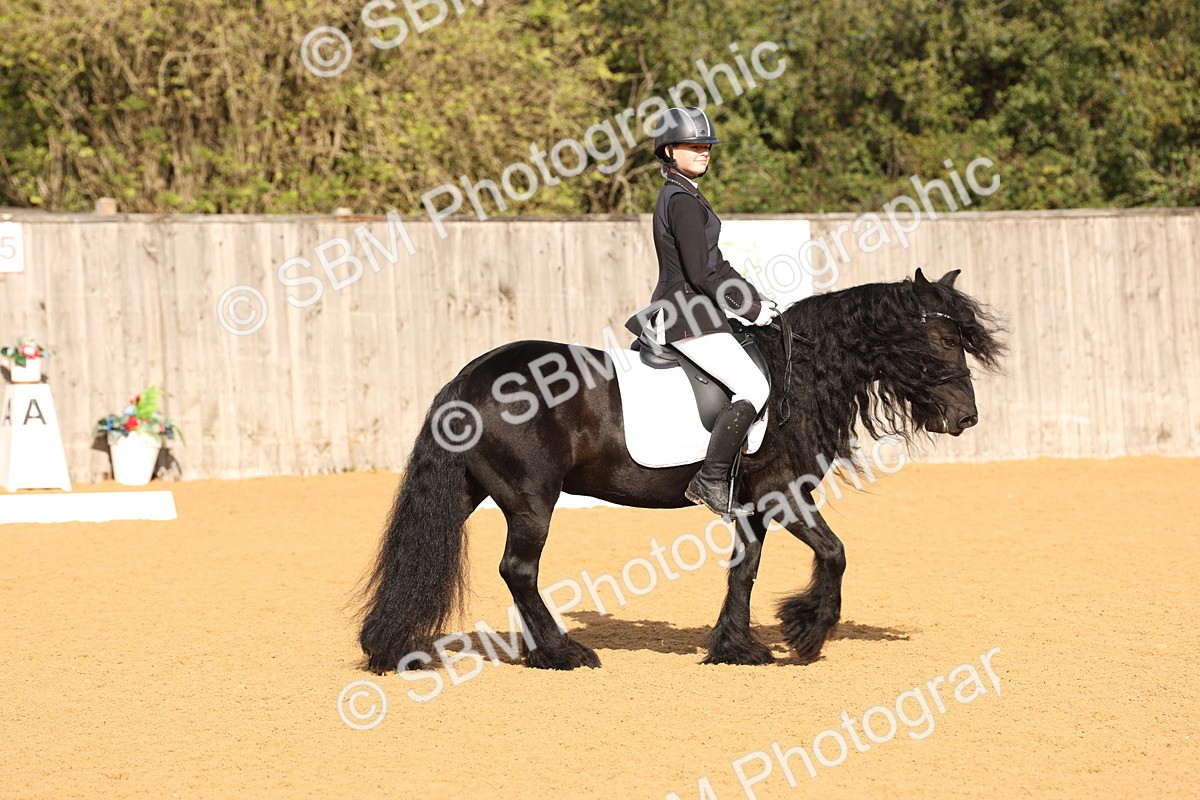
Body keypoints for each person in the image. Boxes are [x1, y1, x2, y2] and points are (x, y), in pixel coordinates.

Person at [625, 106, 779, 517]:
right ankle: (711, 481)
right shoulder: (681, 200)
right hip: (688, 311)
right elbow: (700, 272)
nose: (704, 151)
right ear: (670, 150)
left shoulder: (688, 194)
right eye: (694, 146)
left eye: (707, 146)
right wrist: (748, 309)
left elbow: (718, 265)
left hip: (697, 308)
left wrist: (757, 300)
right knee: (755, 388)